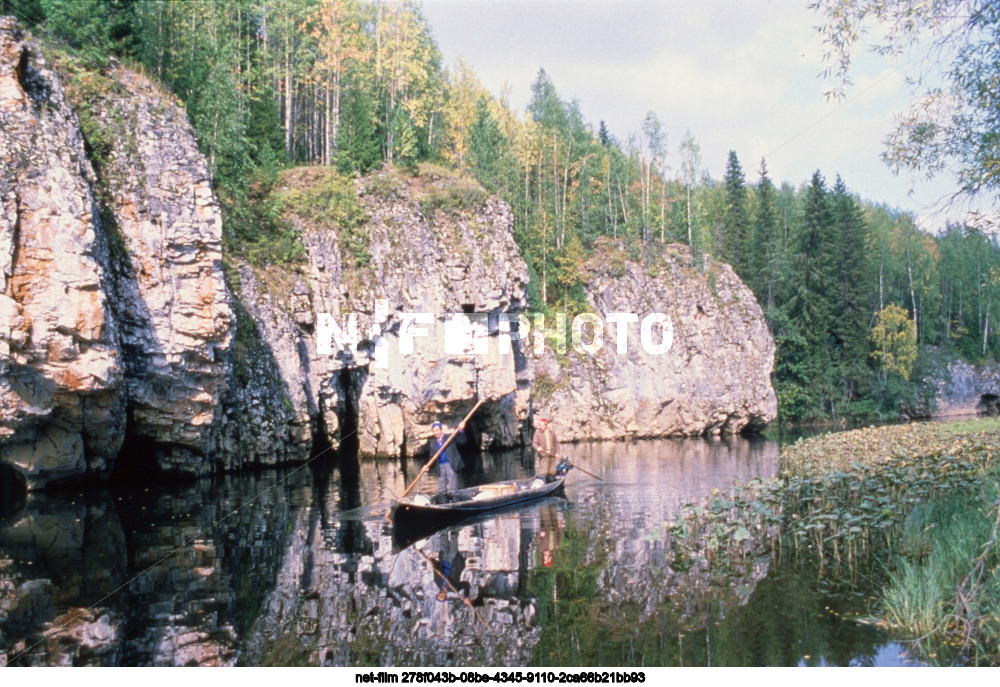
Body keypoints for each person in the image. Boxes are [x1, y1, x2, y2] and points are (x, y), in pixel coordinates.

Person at [428, 420, 466, 494]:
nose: (435, 433)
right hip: (440, 466)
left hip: (450, 464)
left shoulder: (449, 437)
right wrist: (428, 466)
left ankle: (454, 496)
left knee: (452, 487)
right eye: (434, 431)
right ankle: (443, 498)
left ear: (441, 430)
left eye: (437, 430)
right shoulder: (432, 443)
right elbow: (431, 457)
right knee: (441, 488)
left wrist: (461, 430)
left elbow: (463, 441)